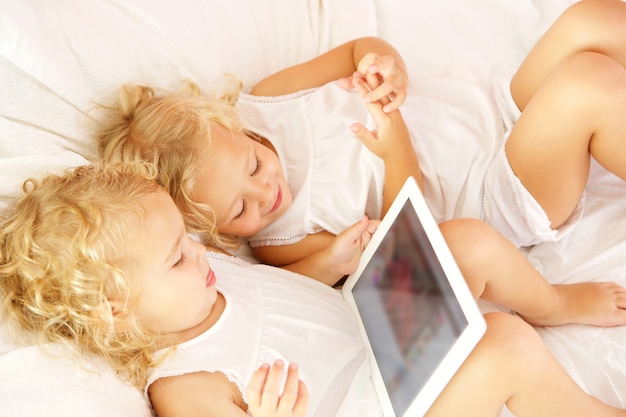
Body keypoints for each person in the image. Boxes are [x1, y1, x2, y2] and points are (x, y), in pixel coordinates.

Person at [95, 0, 626, 326]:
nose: (267, 194)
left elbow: (356, 52)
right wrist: (395, 148)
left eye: (254, 166)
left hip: (491, 110)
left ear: (232, 125)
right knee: (587, 83)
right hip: (495, 190)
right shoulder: (284, 240)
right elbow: (408, 241)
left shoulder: (271, 99)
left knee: (591, 20)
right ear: (210, 231)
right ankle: (560, 305)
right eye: (239, 211)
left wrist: (382, 66)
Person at [1, 162, 626, 417]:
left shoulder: (207, 278)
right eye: (176, 259)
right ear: (117, 311)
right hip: (374, 408)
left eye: (187, 239)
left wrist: (332, 260)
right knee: (503, 344)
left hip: (373, 332)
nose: (200, 252)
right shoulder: (184, 384)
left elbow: (274, 298)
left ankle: (559, 303)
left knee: (460, 239)